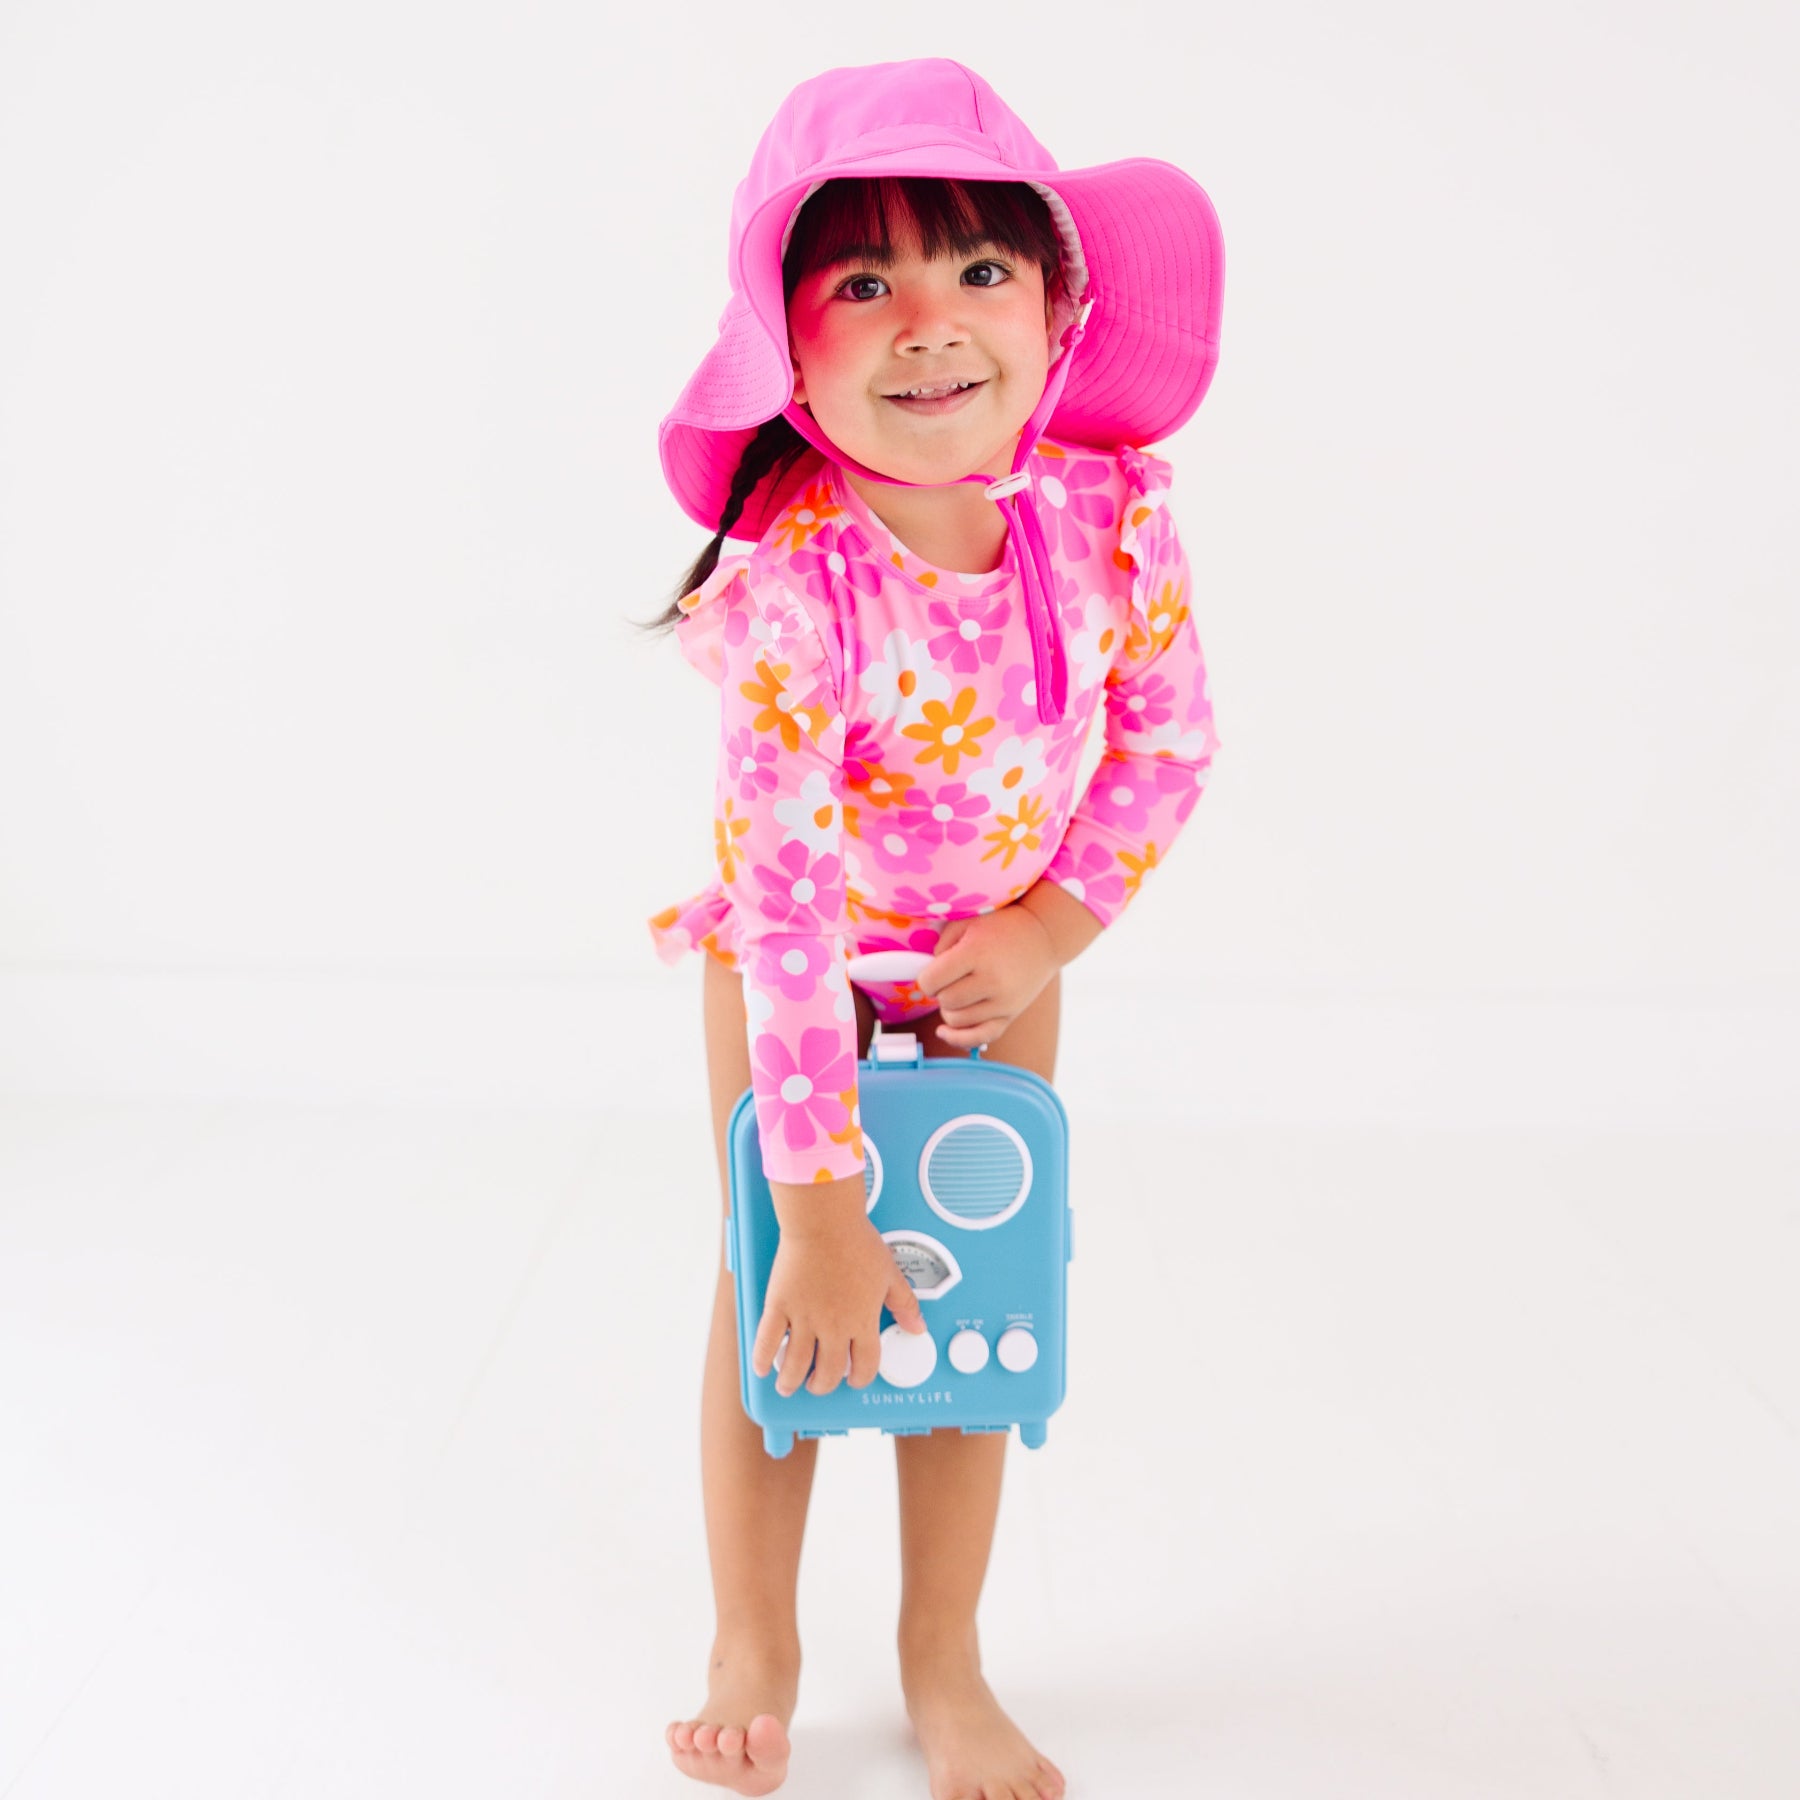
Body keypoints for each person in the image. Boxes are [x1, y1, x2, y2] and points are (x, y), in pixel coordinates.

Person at [636, 57, 1225, 1798]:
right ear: (791, 356)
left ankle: (945, 1659)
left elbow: (1170, 748)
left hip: (998, 954)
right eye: (862, 283)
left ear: (1057, 310)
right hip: (801, 964)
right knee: (785, 1291)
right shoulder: (795, 591)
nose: (929, 325)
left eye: (978, 269)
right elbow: (785, 896)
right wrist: (822, 1204)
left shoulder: (1114, 524)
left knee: (979, 1296)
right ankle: (755, 1641)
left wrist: (1046, 930)